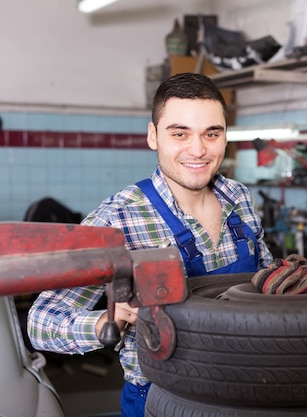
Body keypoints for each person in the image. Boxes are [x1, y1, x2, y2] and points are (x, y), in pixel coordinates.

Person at [27, 72, 273, 417]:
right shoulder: (116, 219)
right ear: (153, 136)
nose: (198, 149)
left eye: (211, 133)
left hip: (249, 387)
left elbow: (266, 282)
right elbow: (42, 323)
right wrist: (108, 321)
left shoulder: (240, 197)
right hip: (162, 399)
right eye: (180, 133)